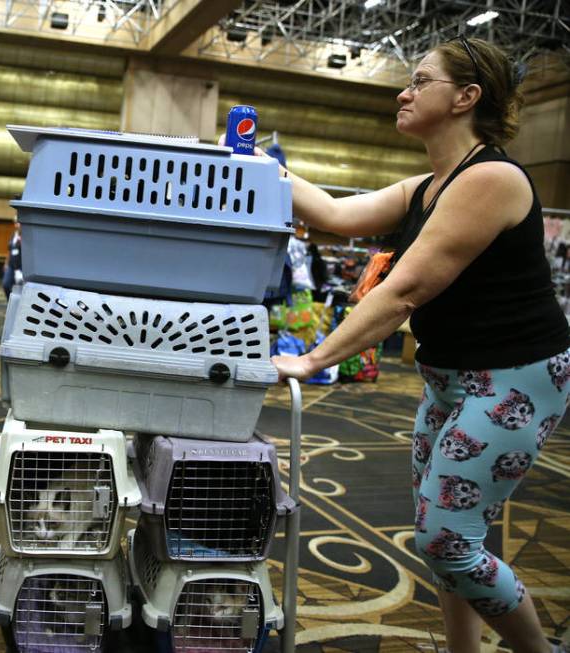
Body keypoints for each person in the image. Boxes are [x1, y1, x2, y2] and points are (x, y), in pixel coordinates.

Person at [268, 37, 569, 653]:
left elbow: (403, 291)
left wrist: (314, 357)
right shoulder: (428, 185)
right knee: (452, 538)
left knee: (445, 539)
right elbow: (332, 211)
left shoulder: (492, 178)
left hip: (514, 379)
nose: (403, 93)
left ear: (465, 97)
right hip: (450, 379)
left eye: (419, 81)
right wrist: (258, 164)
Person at [2, 220, 22, 299]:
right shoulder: (13, 235)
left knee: (20, 287)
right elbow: (9, 250)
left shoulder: (26, 236)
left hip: (21, 266)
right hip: (11, 265)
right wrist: (6, 263)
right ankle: (10, 302)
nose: (18, 225)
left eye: (19, 223)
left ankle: (18, 306)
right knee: (6, 284)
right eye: (16, 223)